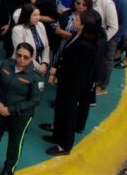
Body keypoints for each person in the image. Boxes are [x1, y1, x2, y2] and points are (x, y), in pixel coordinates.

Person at [0, 43, 43, 175]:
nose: (21, 59)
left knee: (15, 142)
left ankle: (9, 168)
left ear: (31, 58)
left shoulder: (35, 77)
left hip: (20, 115)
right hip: (0, 108)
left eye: (26, 57)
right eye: (19, 55)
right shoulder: (5, 64)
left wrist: (10, 109)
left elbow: (35, 100)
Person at [44, 10, 100, 156]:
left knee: (68, 112)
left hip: (74, 83)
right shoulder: (77, 35)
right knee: (61, 107)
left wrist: (59, 73)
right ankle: (57, 135)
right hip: (66, 80)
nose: (74, 21)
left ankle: (65, 145)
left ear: (83, 25)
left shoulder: (86, 45)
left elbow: (77, 68)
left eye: (76, 19)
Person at [11, 4, 51, 73]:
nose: (38, 17)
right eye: (34, 15)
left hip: (40, 64)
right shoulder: (18, 30)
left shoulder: (40, 25)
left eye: (39, 14)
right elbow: (23, 53)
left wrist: (44, 63)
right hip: (22, 65)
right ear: (27, 15)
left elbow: (46, 46)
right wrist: (39, 68)